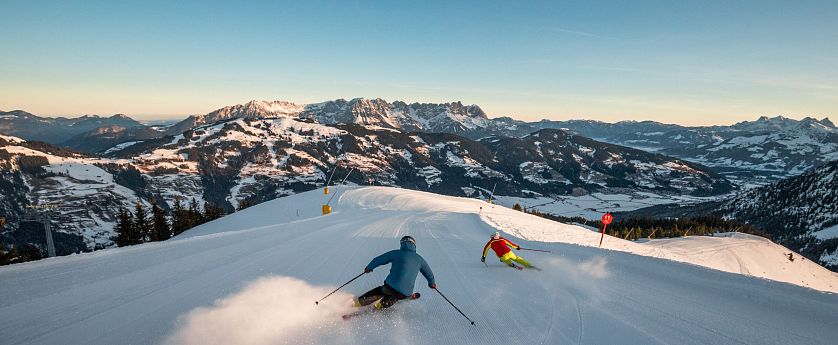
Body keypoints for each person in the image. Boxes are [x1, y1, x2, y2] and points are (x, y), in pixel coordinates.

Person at [355, 236, 436, 310]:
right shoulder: (420, 259)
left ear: (402, 244)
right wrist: (432, 284)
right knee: (397, 295)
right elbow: (429, 273)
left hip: (390, 287)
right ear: (414, 245)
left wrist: (369, 268)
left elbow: (379, 259)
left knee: (381, 291)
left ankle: (357, 303)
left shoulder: (396, 253)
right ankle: (379, 306)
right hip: (405, 293)